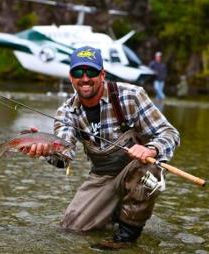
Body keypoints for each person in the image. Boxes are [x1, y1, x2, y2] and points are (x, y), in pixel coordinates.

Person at [21, 46, 180, 249]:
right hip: (102, 176)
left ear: (102, 74)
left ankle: (125, 238)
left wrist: (150, 149)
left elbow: (170, 133)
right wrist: (45, 151)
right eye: (79, 72)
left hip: (137, 168)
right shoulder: (67, 112)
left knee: (150, 169)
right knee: (71, 229)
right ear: (71, 77)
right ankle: (114, 213)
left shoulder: (131, 96)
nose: (85, 78)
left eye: (92, 72)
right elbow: (64, 157)